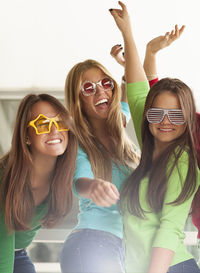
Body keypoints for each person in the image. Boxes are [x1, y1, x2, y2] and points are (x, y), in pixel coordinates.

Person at [110, 2, 200, 273]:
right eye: (157, 113)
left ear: (188, 121)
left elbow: (169, 228)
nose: (165, 122)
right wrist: (128, 32)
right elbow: (138, 90)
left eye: (176, 116)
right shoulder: (150, 142)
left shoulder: (182, 161)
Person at [60, 44, 140, 273]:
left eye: (106, 83)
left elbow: (125, 98)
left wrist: (125, 67)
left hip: (119, 246)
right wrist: (93, 186)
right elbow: (79, 181)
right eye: (88, 88)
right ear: (78, 100)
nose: (101, 91)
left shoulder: (119, 126)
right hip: (90, 243)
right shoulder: (79, 144)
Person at [0, 93, 77, 273]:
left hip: (17, 254)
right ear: (26, 136)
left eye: (60, 122)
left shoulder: (69, 172)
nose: (54, 130)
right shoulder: (5, 180)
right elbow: (3, 241)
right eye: (42, 124)